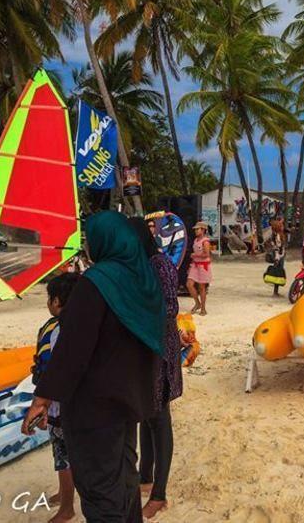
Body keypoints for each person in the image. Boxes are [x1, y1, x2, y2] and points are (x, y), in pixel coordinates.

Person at [23, 211, 163, 523]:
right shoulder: (145, 281)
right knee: (125, 476)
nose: (88, 246)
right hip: (130, 401)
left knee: (100, 490)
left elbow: (73, 351)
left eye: (89, 239)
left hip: (94, 408)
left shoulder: (96, 284)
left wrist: (42, 398)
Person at [128, 218, 182, 519]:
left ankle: (159, 494)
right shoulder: (141, 264)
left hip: (159, 349)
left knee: (159, 418)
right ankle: (145, 478)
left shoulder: (159, 263)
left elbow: (170, 308)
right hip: (146, 348)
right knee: (146, 415)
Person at [32, 272, 80, 523]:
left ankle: (67, 508)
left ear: (58, 302)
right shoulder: (80, 327)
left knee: (63, 457)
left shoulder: (57, 331)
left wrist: (43, 402)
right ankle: (64, 493)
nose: (48, 303)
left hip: (58, 406)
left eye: (50, 298)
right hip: (72, 405)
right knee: (67, 455)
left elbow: (55, 371)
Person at [187, 222, 212, 315]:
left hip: (203, 266)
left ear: (203, 230)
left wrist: (195, 255)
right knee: (189, 284)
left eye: (198, 229)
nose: (196, 231)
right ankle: (197, 303)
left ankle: (203, 308)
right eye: (196, 229)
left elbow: (207, 254)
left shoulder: (205, 241)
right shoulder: (196, 240)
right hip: (195, 264)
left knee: (202, 287)